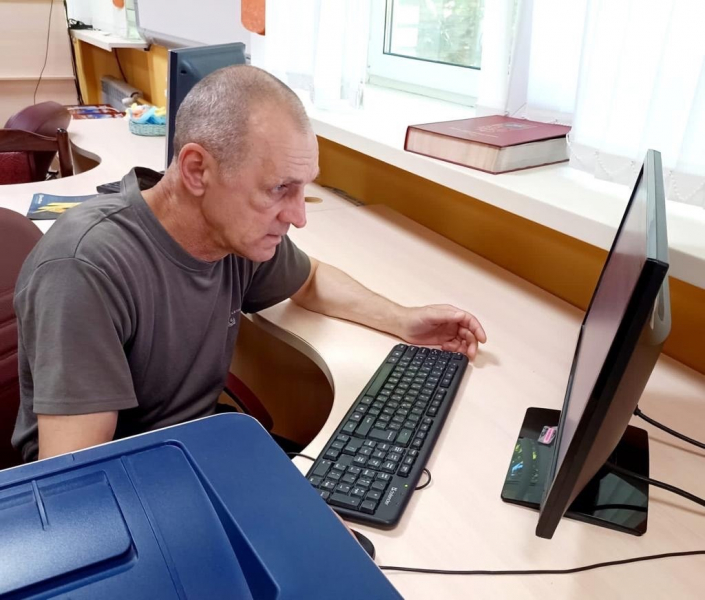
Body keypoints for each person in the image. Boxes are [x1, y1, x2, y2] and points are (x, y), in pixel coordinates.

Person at [11, 65, 486, 463]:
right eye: (280, 189)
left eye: (303, 188)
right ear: (197, 170)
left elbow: (311, 279)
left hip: (191, 446)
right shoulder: (85, 269)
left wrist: (402, 318)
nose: (298, 216)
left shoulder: (232, 234)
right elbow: (77, 479)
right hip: (123, 479)